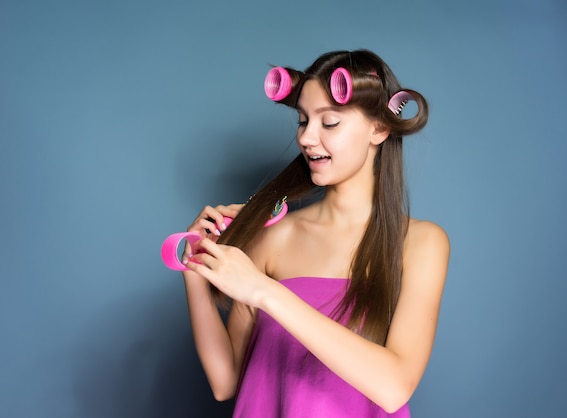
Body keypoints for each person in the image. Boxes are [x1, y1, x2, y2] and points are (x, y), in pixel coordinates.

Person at [181, 49, 450, 417]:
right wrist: (196, 267)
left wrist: (264, 291)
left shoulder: (420, 243)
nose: (306, 138)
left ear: (379, 128)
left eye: (329, 122)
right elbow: (225, 382)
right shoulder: (272, 238)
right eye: (303, 121)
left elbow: (393, 386)